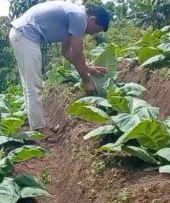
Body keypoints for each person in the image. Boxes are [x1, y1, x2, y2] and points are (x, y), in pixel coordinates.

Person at [9, 1, 112, 140]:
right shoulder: (79, 17)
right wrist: (87, 80)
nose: (92, 34)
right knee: (34, 86)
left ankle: (38, 125)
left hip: (22, 35)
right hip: (25, 35)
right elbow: (77, 54)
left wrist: (86, 68)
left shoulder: (74, 15)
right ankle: (40, 129)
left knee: (30, 85)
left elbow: (66, 52)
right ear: (93, 20)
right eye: (95, 30)